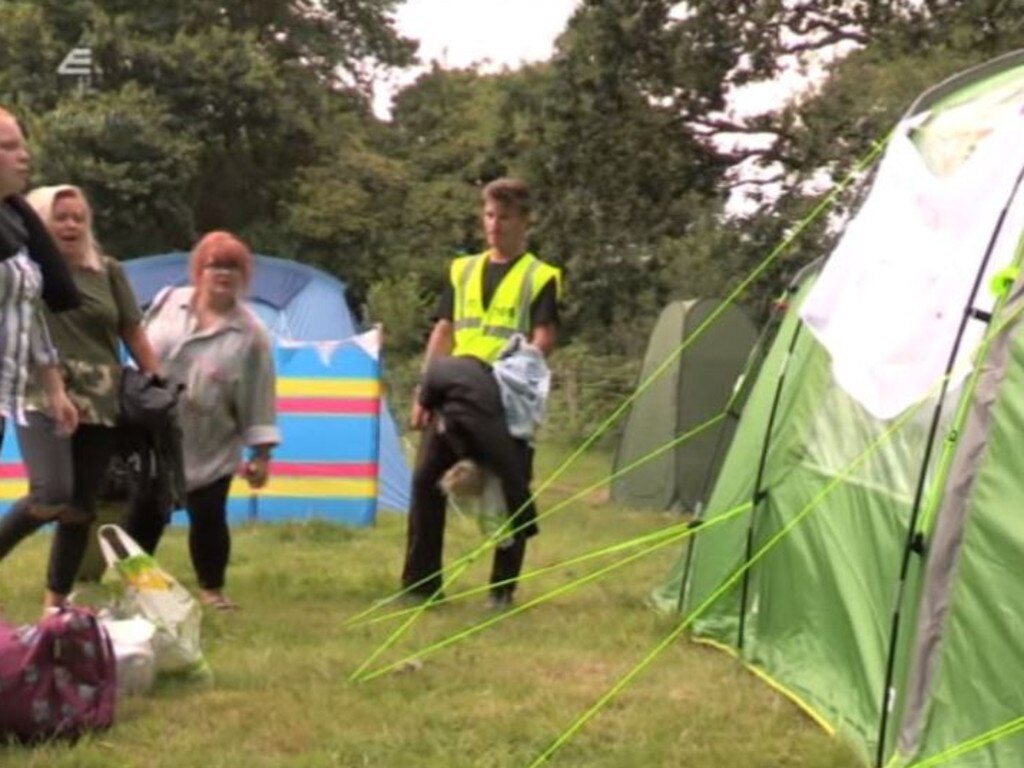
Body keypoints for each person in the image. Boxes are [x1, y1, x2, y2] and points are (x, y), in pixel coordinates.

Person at [402, 177, 560, 609]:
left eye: (504, 217)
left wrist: (517, 367)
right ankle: (421, 585)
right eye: (489, 215)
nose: (494, 225)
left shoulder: (540, 276)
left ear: (524, 221)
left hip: (505, 394)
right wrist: (423, 392)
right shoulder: (463, 269)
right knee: (424, 483)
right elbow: (444, 330)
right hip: (453, 390)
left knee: (510, 482)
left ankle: (502, 592)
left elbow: (544, 336)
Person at [0, 184, 161, 610]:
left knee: (79, 506)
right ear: (37, 222)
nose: (70, 225)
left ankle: (56, 601)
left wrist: (158, 381)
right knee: (50, 493)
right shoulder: (25, 271)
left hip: (102, 396)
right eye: (60, 216)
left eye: (78, 217)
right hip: (40, 390)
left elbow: (132, 330)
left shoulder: (108, 271)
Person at [124, 231, 280, 610]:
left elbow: (260, 395)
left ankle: (212, 590)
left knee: (209, 516)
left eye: (232, 267)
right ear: (199, 270)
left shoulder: (251, 333)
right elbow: (138, 345)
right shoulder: (167, 301)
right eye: (215, 265)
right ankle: (133, 588)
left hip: (212, 440)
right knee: (145, 513)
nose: (223, 274)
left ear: (243, 276)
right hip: (155, 434)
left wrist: (261, 454)